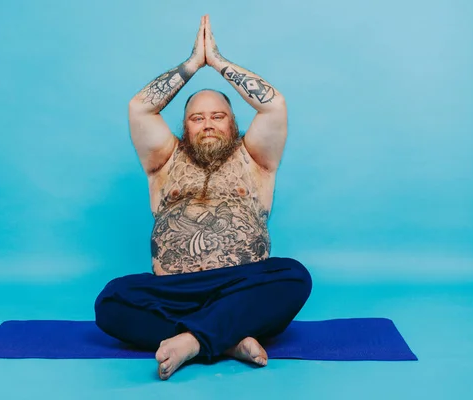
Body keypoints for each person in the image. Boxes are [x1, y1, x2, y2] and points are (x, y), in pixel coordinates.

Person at [94, 14, 312, 380]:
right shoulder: (164, 160)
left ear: (233, 123)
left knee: (294, 276)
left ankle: (192, 340)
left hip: (243, 286)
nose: (208, 123)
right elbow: (140, 107)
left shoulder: (255, 158)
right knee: (111, 301)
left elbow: (273, 104)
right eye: (197, 118)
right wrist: (194, 64)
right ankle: (225, 339)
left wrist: (219, 62)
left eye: (218, 116)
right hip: (173, 291)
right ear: (184, 126)